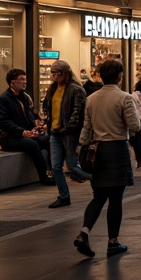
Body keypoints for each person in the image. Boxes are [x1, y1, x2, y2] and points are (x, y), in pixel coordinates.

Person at [74, 58, 140, 259]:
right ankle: (113, 242)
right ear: (120, 76)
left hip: (97, 151)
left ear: (101, 76)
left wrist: (81, 146)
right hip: (117, 149)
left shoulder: (91, 98)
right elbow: (135, 125)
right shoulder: (125, 98)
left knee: (98, 196)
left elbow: (86, 128)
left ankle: (84, 231)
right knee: (116, 199)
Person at [43, 60, 91, 207]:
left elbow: (78, 112)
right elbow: (48, 108)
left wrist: (70, 128)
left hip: (70, 133)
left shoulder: (76, 90)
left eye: (55, 73)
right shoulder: (53, 89)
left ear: (64, 73)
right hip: (55, 132)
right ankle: (64, 196)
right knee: (56, 166)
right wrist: (47, 123)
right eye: (51, 72)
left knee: (72, 166)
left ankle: (96, 179)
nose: (53, 76)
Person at [0, 68, 52, 184]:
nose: (24, 82)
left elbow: (30, 115)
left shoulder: (25, 97)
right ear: (12, 82)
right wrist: (22, 132)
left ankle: (53, 170)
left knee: (48, 140)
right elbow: (3, 122)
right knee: (32, 144)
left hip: (25, 134)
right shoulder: (3, 99)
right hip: (9, 137)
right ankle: (43, 175)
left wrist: (35, 127)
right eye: (21, 80)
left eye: (25, 80)